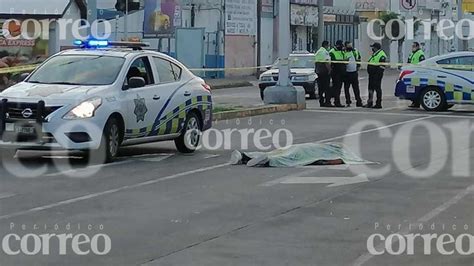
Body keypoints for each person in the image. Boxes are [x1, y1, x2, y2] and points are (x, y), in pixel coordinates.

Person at [365, 42, 387, 109]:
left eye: (373, 47)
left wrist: (377, 75)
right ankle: (370, 102)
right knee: (370, 89)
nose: (372, 48)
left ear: (376, 48)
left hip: (377, 75)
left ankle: (378, 103)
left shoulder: (382, 55)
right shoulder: (374, 54)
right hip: (371, 75)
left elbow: (382, 67)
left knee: (377, 89)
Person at [343, 42, 363, 107]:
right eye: (348, 46)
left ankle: (359, 101)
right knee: (346, 88)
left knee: (356, 88)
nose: (350, 47)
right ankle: (348, 102)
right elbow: (343, 62)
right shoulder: (343, 52)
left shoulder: (355, 51)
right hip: (347, 73)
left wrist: (358, 66)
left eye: (351, 46)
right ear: (345, 46)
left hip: (354, 72)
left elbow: (359, 58)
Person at [407, 42, 426, 108]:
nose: (413, 47)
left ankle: (417, 102)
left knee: (417, 87)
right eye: (412, 46)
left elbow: (422, 63)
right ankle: (414, 102)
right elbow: (409, 62)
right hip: (411, 73)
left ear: (417, 46)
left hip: (417, 73)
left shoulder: (420, 54)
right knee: (412, 88)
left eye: (414, 46)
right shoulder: (412, 54)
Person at [329, 40, 346, 107]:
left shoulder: (341, 51)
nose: (342, 47)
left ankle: (336, 101)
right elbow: (333, 62)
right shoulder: (332, 52)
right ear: (337, 45)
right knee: (335, 88)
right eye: (341, 45)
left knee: (338, 88)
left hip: (341, 73)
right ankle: (335, 101)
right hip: (335, 72)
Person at [315, 41, 332, 107]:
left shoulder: (318, 51)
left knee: (320, 88)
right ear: (326, 45)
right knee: (327, 88)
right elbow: (326, 62)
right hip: (325, 72)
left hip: (319, 72)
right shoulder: (324, 52)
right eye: (328, 45)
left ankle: (321, 102)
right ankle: (328, 102)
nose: (328, 47)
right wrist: (329, 70)